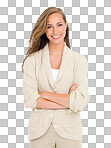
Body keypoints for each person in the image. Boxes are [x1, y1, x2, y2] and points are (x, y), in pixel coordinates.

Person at [22, 7, 90, 148]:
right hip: (39, 132)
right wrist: (67, 101)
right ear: (44, 30)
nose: (55, 31)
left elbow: (80, 101)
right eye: (49, 27)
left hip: (70, 132)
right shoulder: (32, 60)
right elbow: (29, 99)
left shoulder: (78, 60)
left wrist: (44, 95)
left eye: (59, 25)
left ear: (65, 25)